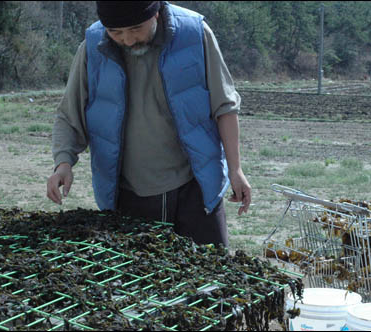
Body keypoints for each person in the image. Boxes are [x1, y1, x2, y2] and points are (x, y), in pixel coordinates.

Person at [46, 1, 251, 247]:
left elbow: (225, 106)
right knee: (141, 280)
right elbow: (69, 115)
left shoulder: (194, 34)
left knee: (211, 281)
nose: (128, 40)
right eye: (115, 32)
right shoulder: (93, 46)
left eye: (135, 29)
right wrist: (63, 163)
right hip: (130, 194)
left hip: (196, 189)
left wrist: (236, 168)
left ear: (155, 13)